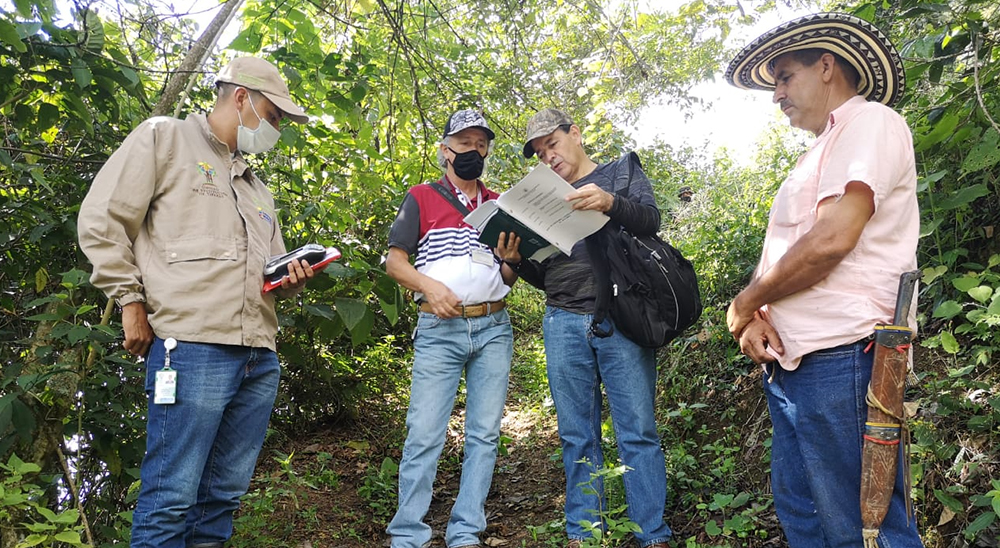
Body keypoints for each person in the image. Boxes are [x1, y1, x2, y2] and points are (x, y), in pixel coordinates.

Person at [78, 56, 320, 548]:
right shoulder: (163, 138)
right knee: (169, 500)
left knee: (220, 502)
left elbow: (267, 275)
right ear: (240, 97)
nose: (275, 128)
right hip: (190, 349)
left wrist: (291, 279)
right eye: (274, 116)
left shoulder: (258, 189)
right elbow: (102, 221)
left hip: (259, 356)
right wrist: (129, 300)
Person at [723, 13, 924, 548]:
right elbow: (791, 254)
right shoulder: (819, 151)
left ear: (828, 66)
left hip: (846, 356)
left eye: (785, 76)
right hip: (797, 363)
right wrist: (758, 319)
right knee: (805, 514)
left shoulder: (871, 124)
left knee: (865, 526)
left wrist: (745, 303)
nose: (777, 95)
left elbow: (833, 240)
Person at [497, 108, 672, 548]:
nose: (548, 157)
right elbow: (545, 275)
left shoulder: (619, 172)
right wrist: (516, 261)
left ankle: (651, 534)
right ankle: (585, 532)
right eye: (539, 153)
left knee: (638, 432)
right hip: (561, 321)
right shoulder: (540, 197)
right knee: (576, 434)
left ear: (575, 134)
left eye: (552, 145)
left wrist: (610, 203)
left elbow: (652, 221)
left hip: (621, 317)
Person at [385, 109, 517, 548]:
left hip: (494, 325)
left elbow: (509, 274)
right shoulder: (421, 196)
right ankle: (408, 534)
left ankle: (466, 531)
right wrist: (429, 287)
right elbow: (395, 261)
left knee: (484, 433)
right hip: (440, 329)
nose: (473, 152)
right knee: (424, 432)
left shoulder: (499, 205)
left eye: (481, 145)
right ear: (445, 149)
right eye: (465, 144)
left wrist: (513, 262)